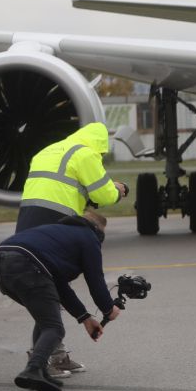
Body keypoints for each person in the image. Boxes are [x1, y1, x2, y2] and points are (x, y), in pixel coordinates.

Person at [15, 121, 128, 377]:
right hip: (55, 225)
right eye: (102, 154)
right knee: (49, 295)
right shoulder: (86, 154)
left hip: (26, 228)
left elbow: (63, 189)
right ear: (99, 145)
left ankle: (55, 355)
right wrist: (118, 190)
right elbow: (104, 195)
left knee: (46, 296)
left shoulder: (48, 151)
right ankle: (43, 361)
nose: (100, 158)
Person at [0, 210, 119, 391]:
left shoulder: (56, 233)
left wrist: (84, 317)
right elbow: (95, 280)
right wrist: (109, 308)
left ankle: (40, 372)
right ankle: (33, 369)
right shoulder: (88, 236)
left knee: (45, 318)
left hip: (1, 264)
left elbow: (59, 286)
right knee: (53, 327)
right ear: (98, 231)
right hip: (28, 266)